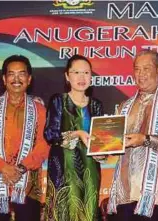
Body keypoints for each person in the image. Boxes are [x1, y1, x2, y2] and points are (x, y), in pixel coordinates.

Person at [107, 50, 158, 221]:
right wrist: (102, 145)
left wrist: (145, 140)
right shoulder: (124, 106)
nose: (141, 74)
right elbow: (114, 145)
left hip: (157, 195)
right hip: (126, 193)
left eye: (147, 68)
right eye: (137, 69)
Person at [0, 55, 50, 221]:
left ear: (29, 79)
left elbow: (43, 144)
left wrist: (21, 168)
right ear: (4, 78)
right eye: (11, 74)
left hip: (28, 184)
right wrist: (3, 167)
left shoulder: (40, 110)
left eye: (22, 74)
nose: (16, 79)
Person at [44, 54, 104, 221]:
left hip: (90, 174)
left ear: (91, 76)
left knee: (88, 213)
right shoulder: (58, 101)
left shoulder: (96, 105)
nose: (81, 77)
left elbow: (100, 140)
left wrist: (103, 151)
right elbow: (50, 135)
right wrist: (77, 134)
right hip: (64, 172)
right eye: (76, 72)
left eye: (86, 73)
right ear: (67, 76)